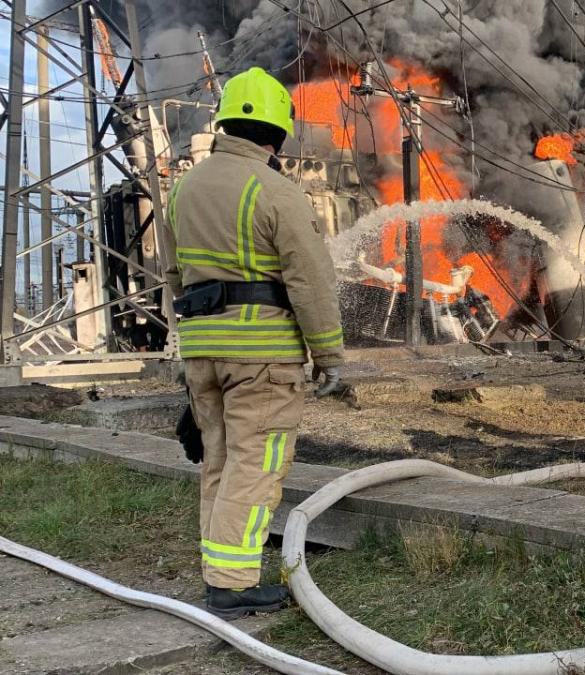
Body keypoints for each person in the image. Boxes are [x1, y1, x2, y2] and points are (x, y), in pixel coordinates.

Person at [163, 66, 344, 619]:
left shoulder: (183, 190)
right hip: (262, 356)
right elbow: (310, 281)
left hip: (201, 352)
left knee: (217, 458)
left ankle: (221, 568)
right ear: (276, 134)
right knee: (256, 463)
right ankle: (234, 585)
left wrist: (188, 343)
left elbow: (175, 277)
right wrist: (329, 354)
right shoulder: (276, 191)